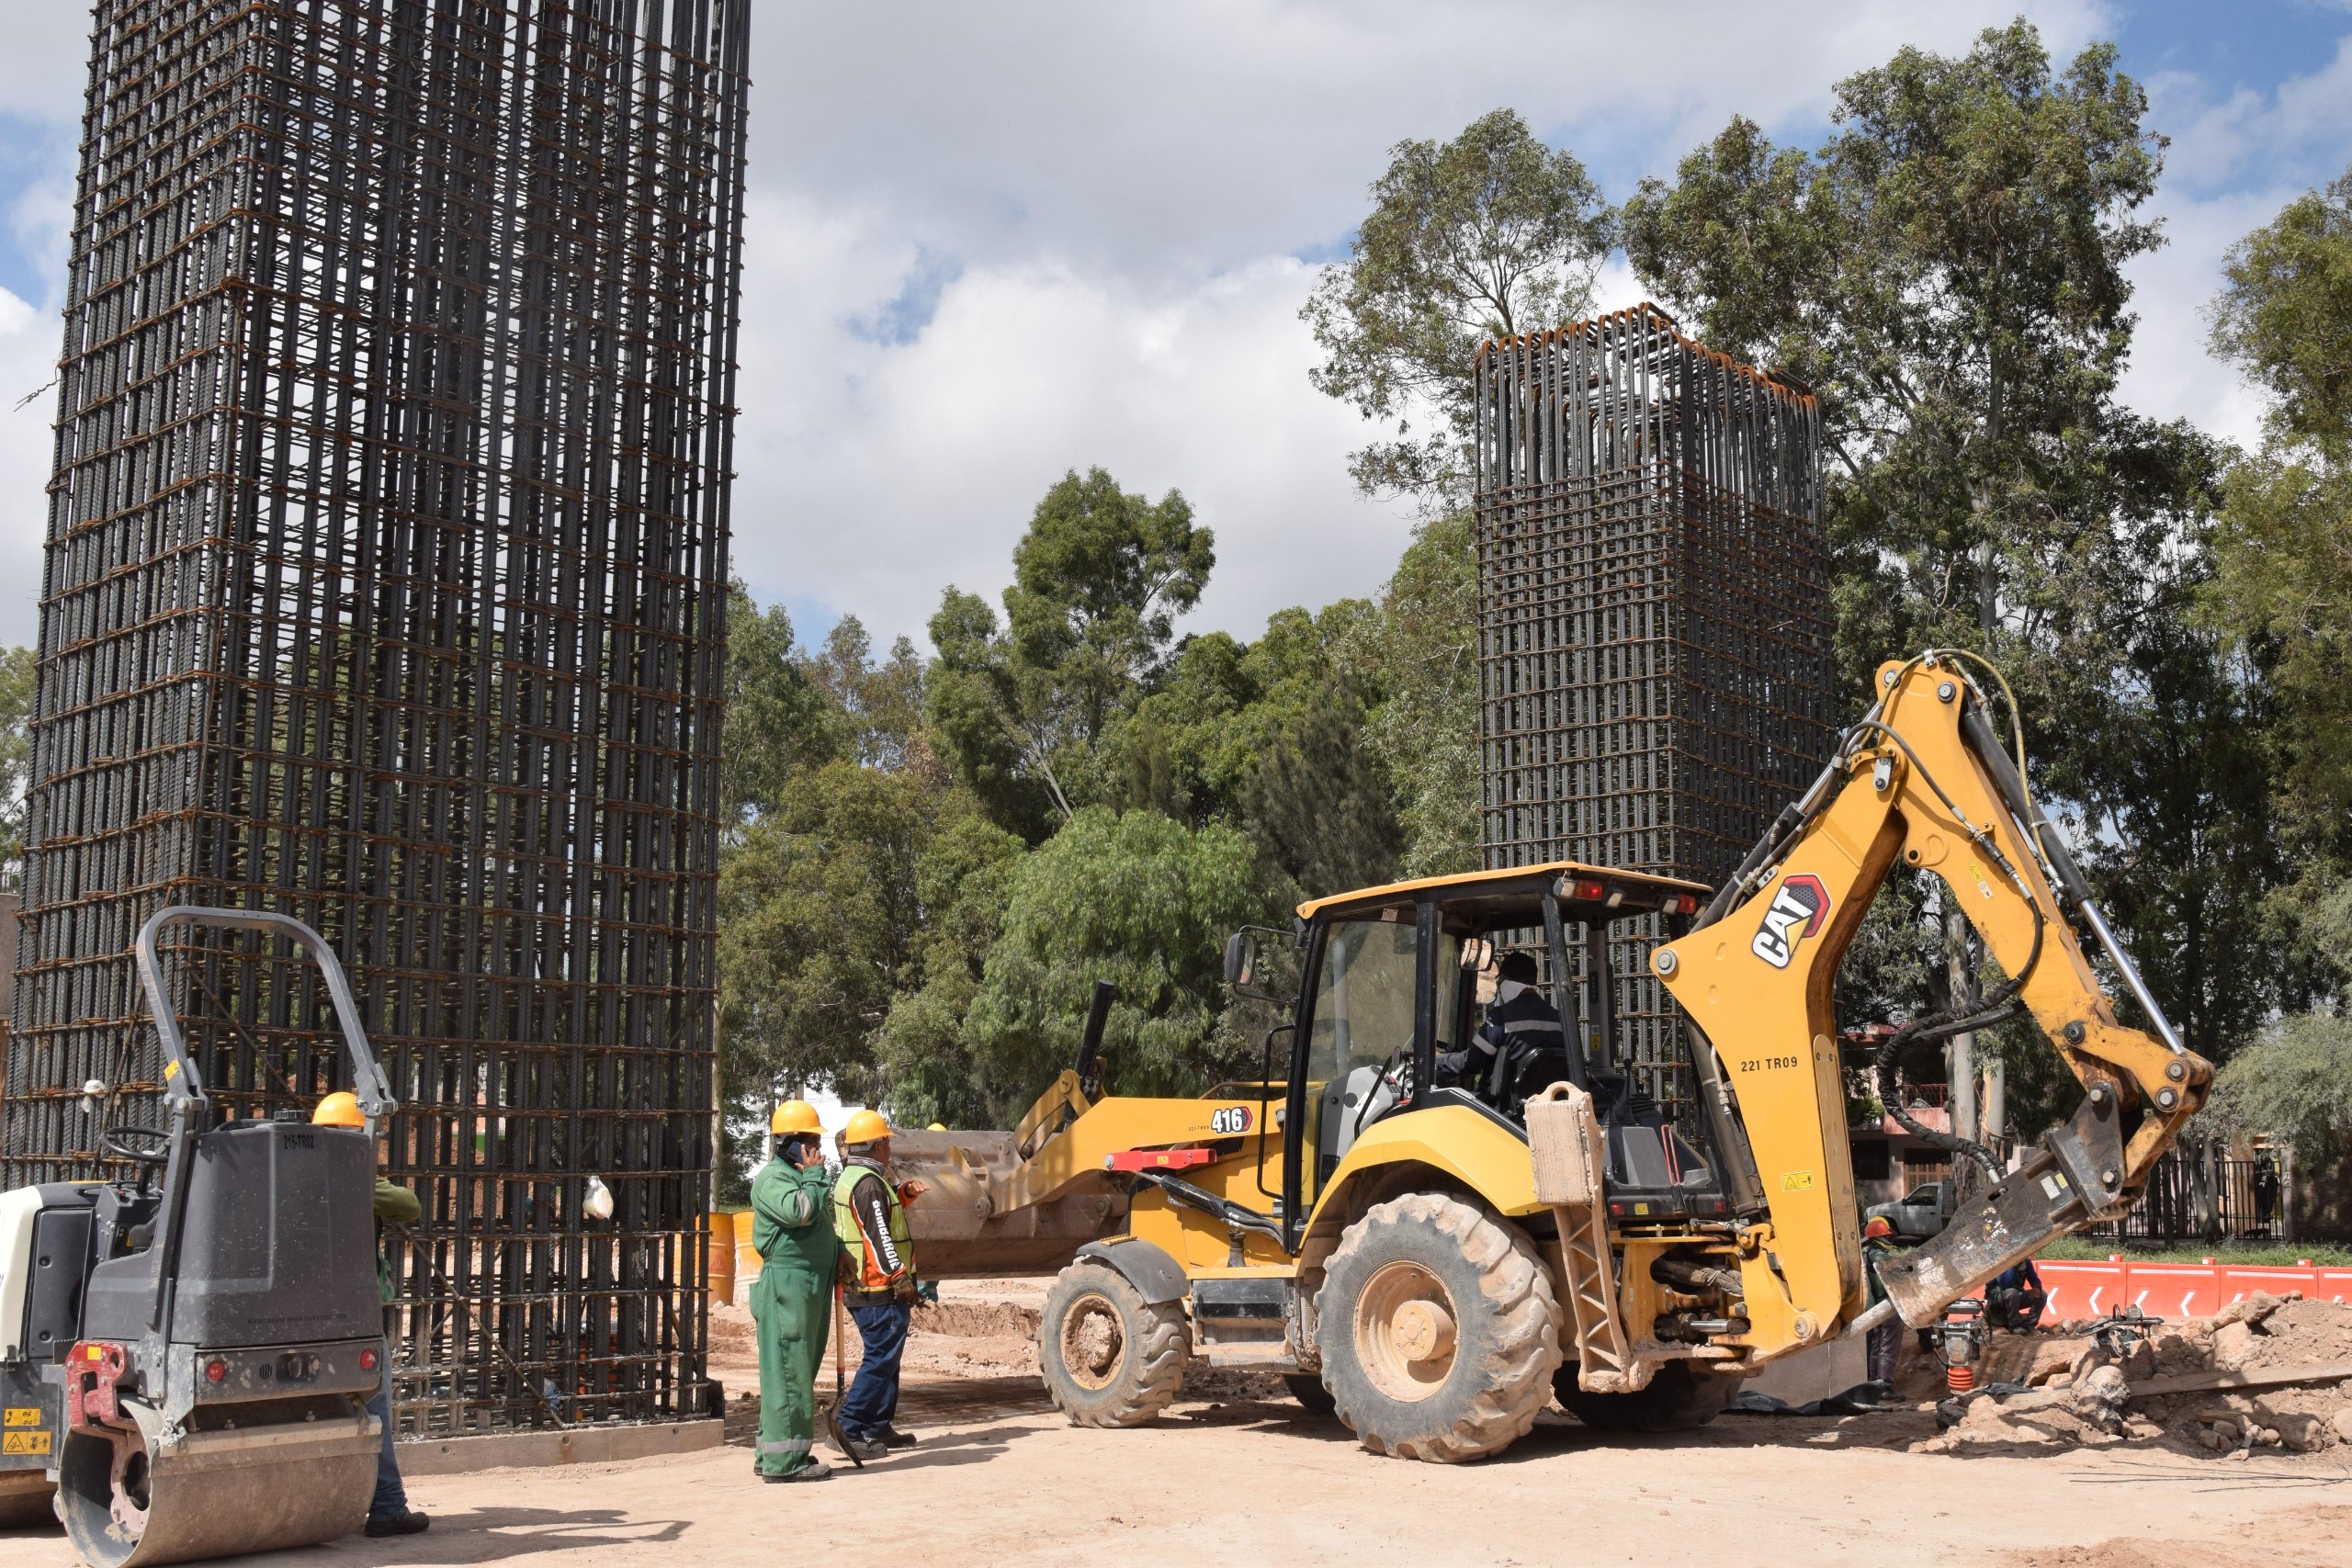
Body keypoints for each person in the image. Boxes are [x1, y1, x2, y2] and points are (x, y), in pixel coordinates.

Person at [314, 1090, 429, 1539]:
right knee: (375, 1405)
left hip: (299, 1311)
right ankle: (386, 1508)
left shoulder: (288, 1172)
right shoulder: (354, 1175)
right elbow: (410, 1206)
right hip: (354, 1311)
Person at [831, 1109, 926, 1461]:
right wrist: (898, 1275)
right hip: (876, 1288)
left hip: (868, 1285)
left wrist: (902, 1193)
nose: (889, 1147)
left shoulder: (860, 1179)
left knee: (888, 1357)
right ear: (875, 1147)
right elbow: (877, 1235)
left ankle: (877, 1425)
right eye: (886, 1141)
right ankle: (849, 1426)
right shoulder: (868, 1183)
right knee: (880, 1358)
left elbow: (873, 1215)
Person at [749, 1100, 837, 1483]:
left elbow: (816, 1224)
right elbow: (799, 1213)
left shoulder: (800, 1176)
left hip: (808, 1283)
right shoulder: (774, 1179)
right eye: (810, 1140)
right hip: (787, 1285)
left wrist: (838, 1255)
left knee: (796, 1371)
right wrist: (816, 1177)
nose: (817, 1148)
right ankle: (785, 1463)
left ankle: (772, 1452)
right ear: (789, 1143)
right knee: (789, 1372)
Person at [1437, 951, 1567, 1099]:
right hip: (1540, 1104)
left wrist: (1437, 1060)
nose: (1499, 989)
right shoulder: (1558, 1019)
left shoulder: (1502, 1017)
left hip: (1501, 1104)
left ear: (1506, 982)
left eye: (1499, 982)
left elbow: (1471, 1062)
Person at [1860, 1214, 1903, 1398]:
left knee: (1877, 1346)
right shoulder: (1879, 1254)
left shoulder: (1864, 1251)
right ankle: (1884, 1386)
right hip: (1886, 1306)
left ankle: (1873, 1384)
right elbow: (1898, 1270)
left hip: (1872, 1310)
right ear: (1884, 1236)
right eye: (1889, 1236)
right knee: (1888, 1347)